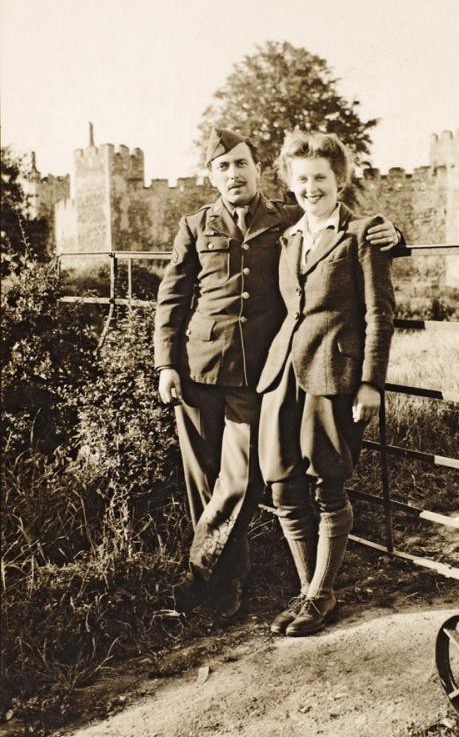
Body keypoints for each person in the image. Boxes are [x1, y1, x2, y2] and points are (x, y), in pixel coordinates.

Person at [154, 127, 399, 619]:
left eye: (241, 163)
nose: (233, 174)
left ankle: (198, 582)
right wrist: (165, 363)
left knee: (242, 483)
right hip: (200, 370)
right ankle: (225, 594)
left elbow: (352, 231)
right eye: (222, 167)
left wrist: (393, 234)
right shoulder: (196, 224)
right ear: (211, 176)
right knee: (205, 483)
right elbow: (172, 298)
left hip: (260, 373)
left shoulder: (288, 217)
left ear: (259, 169)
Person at [257, 131, 395, 637]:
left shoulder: (361, 235)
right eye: (301, 179)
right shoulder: (288, 237)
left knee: (328, 481)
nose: (310, 188)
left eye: (320, 177)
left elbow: (380, 315)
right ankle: (306, 589)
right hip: (282, 375)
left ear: (340, 179)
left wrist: (370, 384)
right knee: (282, 484)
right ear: (289, 183)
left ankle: (321, 593)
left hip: (333, 374)